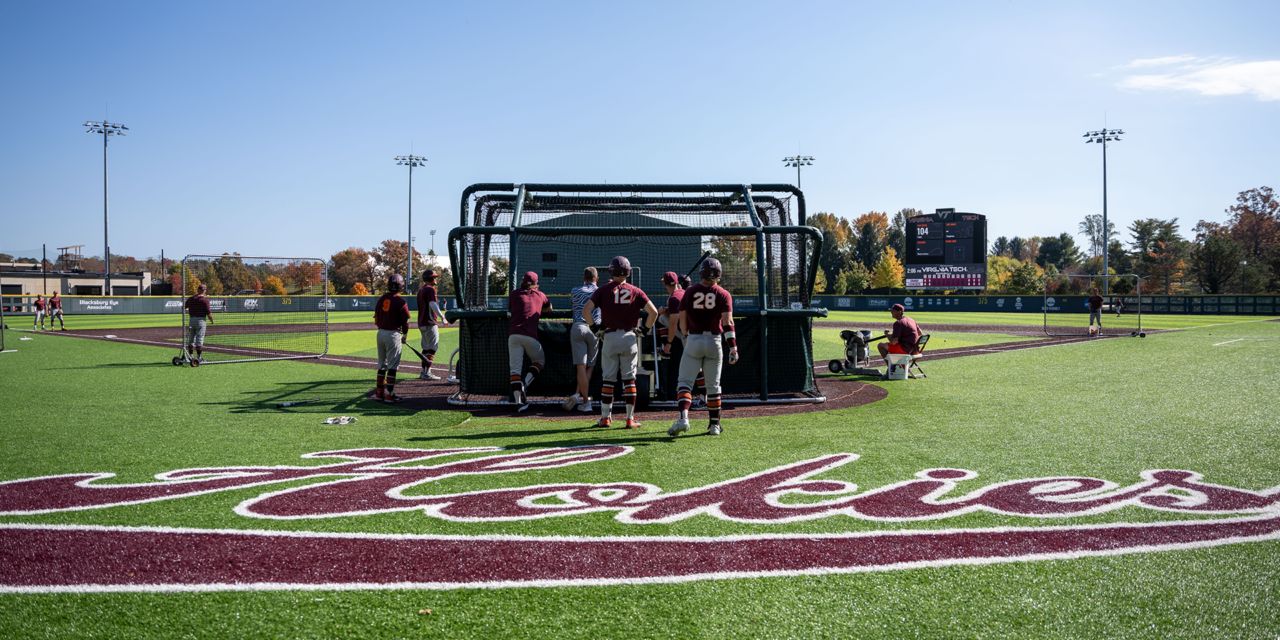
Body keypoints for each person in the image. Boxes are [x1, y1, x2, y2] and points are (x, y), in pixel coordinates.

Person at [582, 256, 658, 429]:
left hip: (609, 336)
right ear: (628, 272)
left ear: (611, 271)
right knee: (629, 379)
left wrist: (595, 329)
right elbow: (653, 313)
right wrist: (644, 331)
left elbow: (586, 311)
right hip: (629, 337)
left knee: (608, 379)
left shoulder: (603, 290)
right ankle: (630, 418)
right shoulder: (636, 291)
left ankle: (605, 418)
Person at [668, 258, 736, 437]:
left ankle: (684, 418)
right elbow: (727, 322)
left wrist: (686, 335)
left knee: (684, 383)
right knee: (713, 386)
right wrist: (733, 347)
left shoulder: (689, 291)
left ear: (702, 273)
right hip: (714, 340)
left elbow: (682, 321)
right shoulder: (723, 293)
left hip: (694, 339)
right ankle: (714, 425)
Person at [658, 271, 707, 407]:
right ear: (678, 283)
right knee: (662, 317)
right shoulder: (684, 293)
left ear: (665, 285)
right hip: (703, 332)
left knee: (696, 370)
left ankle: (703, 400)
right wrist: (666, 310)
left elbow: (674, 323)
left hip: (690, 336)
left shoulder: (674, 298)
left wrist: (668, 343)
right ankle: (706, 399)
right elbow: (675, 313)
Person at [508, 271, 551, 412]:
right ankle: (524, 384)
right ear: (536, 283)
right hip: (530, 336)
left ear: (523, 281)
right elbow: (549, 308)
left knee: (515, 370)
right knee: (540, 361)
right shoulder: (540, 295)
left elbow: (511, 309)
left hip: (514, 335)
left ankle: (518, 402)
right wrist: (538, 309)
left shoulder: (514, 294)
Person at [563, 267, 600, 413]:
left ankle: (583, 399)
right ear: (597, 279)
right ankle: (581, 398)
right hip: (595, 330)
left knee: (581, 367)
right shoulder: (601, 292)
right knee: (589, 367)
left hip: (578, 327)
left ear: (584, 279)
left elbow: (574, 305)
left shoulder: (575, 290)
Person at [373, 274, 411, 403]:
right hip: (393, 335)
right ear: (401, 286)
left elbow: (376, 320)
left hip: (380, 333)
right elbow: (405, 323)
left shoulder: (381, 299)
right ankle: (389, 394)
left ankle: (379, 393)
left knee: (381, 365)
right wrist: (404, 335)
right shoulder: (401, 301)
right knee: (392, 366)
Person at [416, 270, 450, 380]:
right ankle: (427, 373)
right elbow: (432, 304)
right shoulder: (430, 289)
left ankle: (423, 372)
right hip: (430, 322)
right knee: (432, 348)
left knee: (426, 348)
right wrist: (442, 317)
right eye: (434, 277)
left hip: (422, 323)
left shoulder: (421, 290)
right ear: (429, 279)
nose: (436, 279)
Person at [877, 303, 920, 376]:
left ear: (899, 312)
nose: (891, 313)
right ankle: (893, 366)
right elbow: (920, 333)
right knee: (887, 344)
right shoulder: (911, 320)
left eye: (893, 311)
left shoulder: (898, 323)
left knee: (880, 345)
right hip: (915, 349)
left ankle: (891, 368)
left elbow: (893, 342)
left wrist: (887, 334)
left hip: (906, 349)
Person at [184, 284, 213, 366]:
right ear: (205, 291)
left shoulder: (190, 299)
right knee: (200, 339)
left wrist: (193, 307)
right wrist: (212, 320)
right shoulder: (205, 300)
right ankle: (199, 358)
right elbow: (209, 313)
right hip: (200, 320)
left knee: (191, 338)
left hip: (191, 319)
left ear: (197, 290)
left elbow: (185, 307)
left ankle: (190, 356)